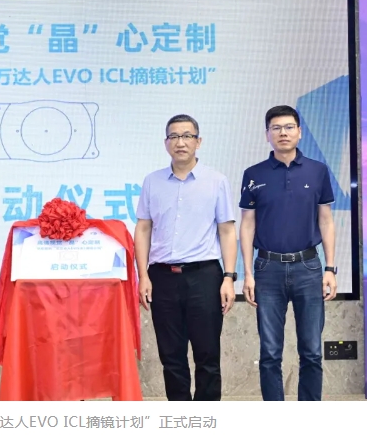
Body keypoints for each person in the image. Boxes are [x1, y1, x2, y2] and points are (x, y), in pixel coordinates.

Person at [134, 114, 238, 401]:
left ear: (198, 141)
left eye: (187, 136)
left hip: (204, 276)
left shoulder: (216, 181)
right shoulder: (152, 181)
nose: (180, 142)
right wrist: (143, 275)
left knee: (208, 355)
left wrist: (229, 277)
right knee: (171, 356)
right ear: (166, 142)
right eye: (174, 136)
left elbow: (227, 231)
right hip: (162, 277)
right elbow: (143, 228)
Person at [239, 105, 337, 401]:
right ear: (267, 134)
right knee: (270, 353)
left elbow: (326, 220)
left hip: (308, 267)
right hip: (267, 269)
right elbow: (247, 225)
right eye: (276, 128)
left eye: (289, 127)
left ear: (300, 132)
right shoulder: (253, 174)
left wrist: (330, 268)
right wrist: (248, 274)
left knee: (312, 351)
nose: (283, 133)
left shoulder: (317, 171)